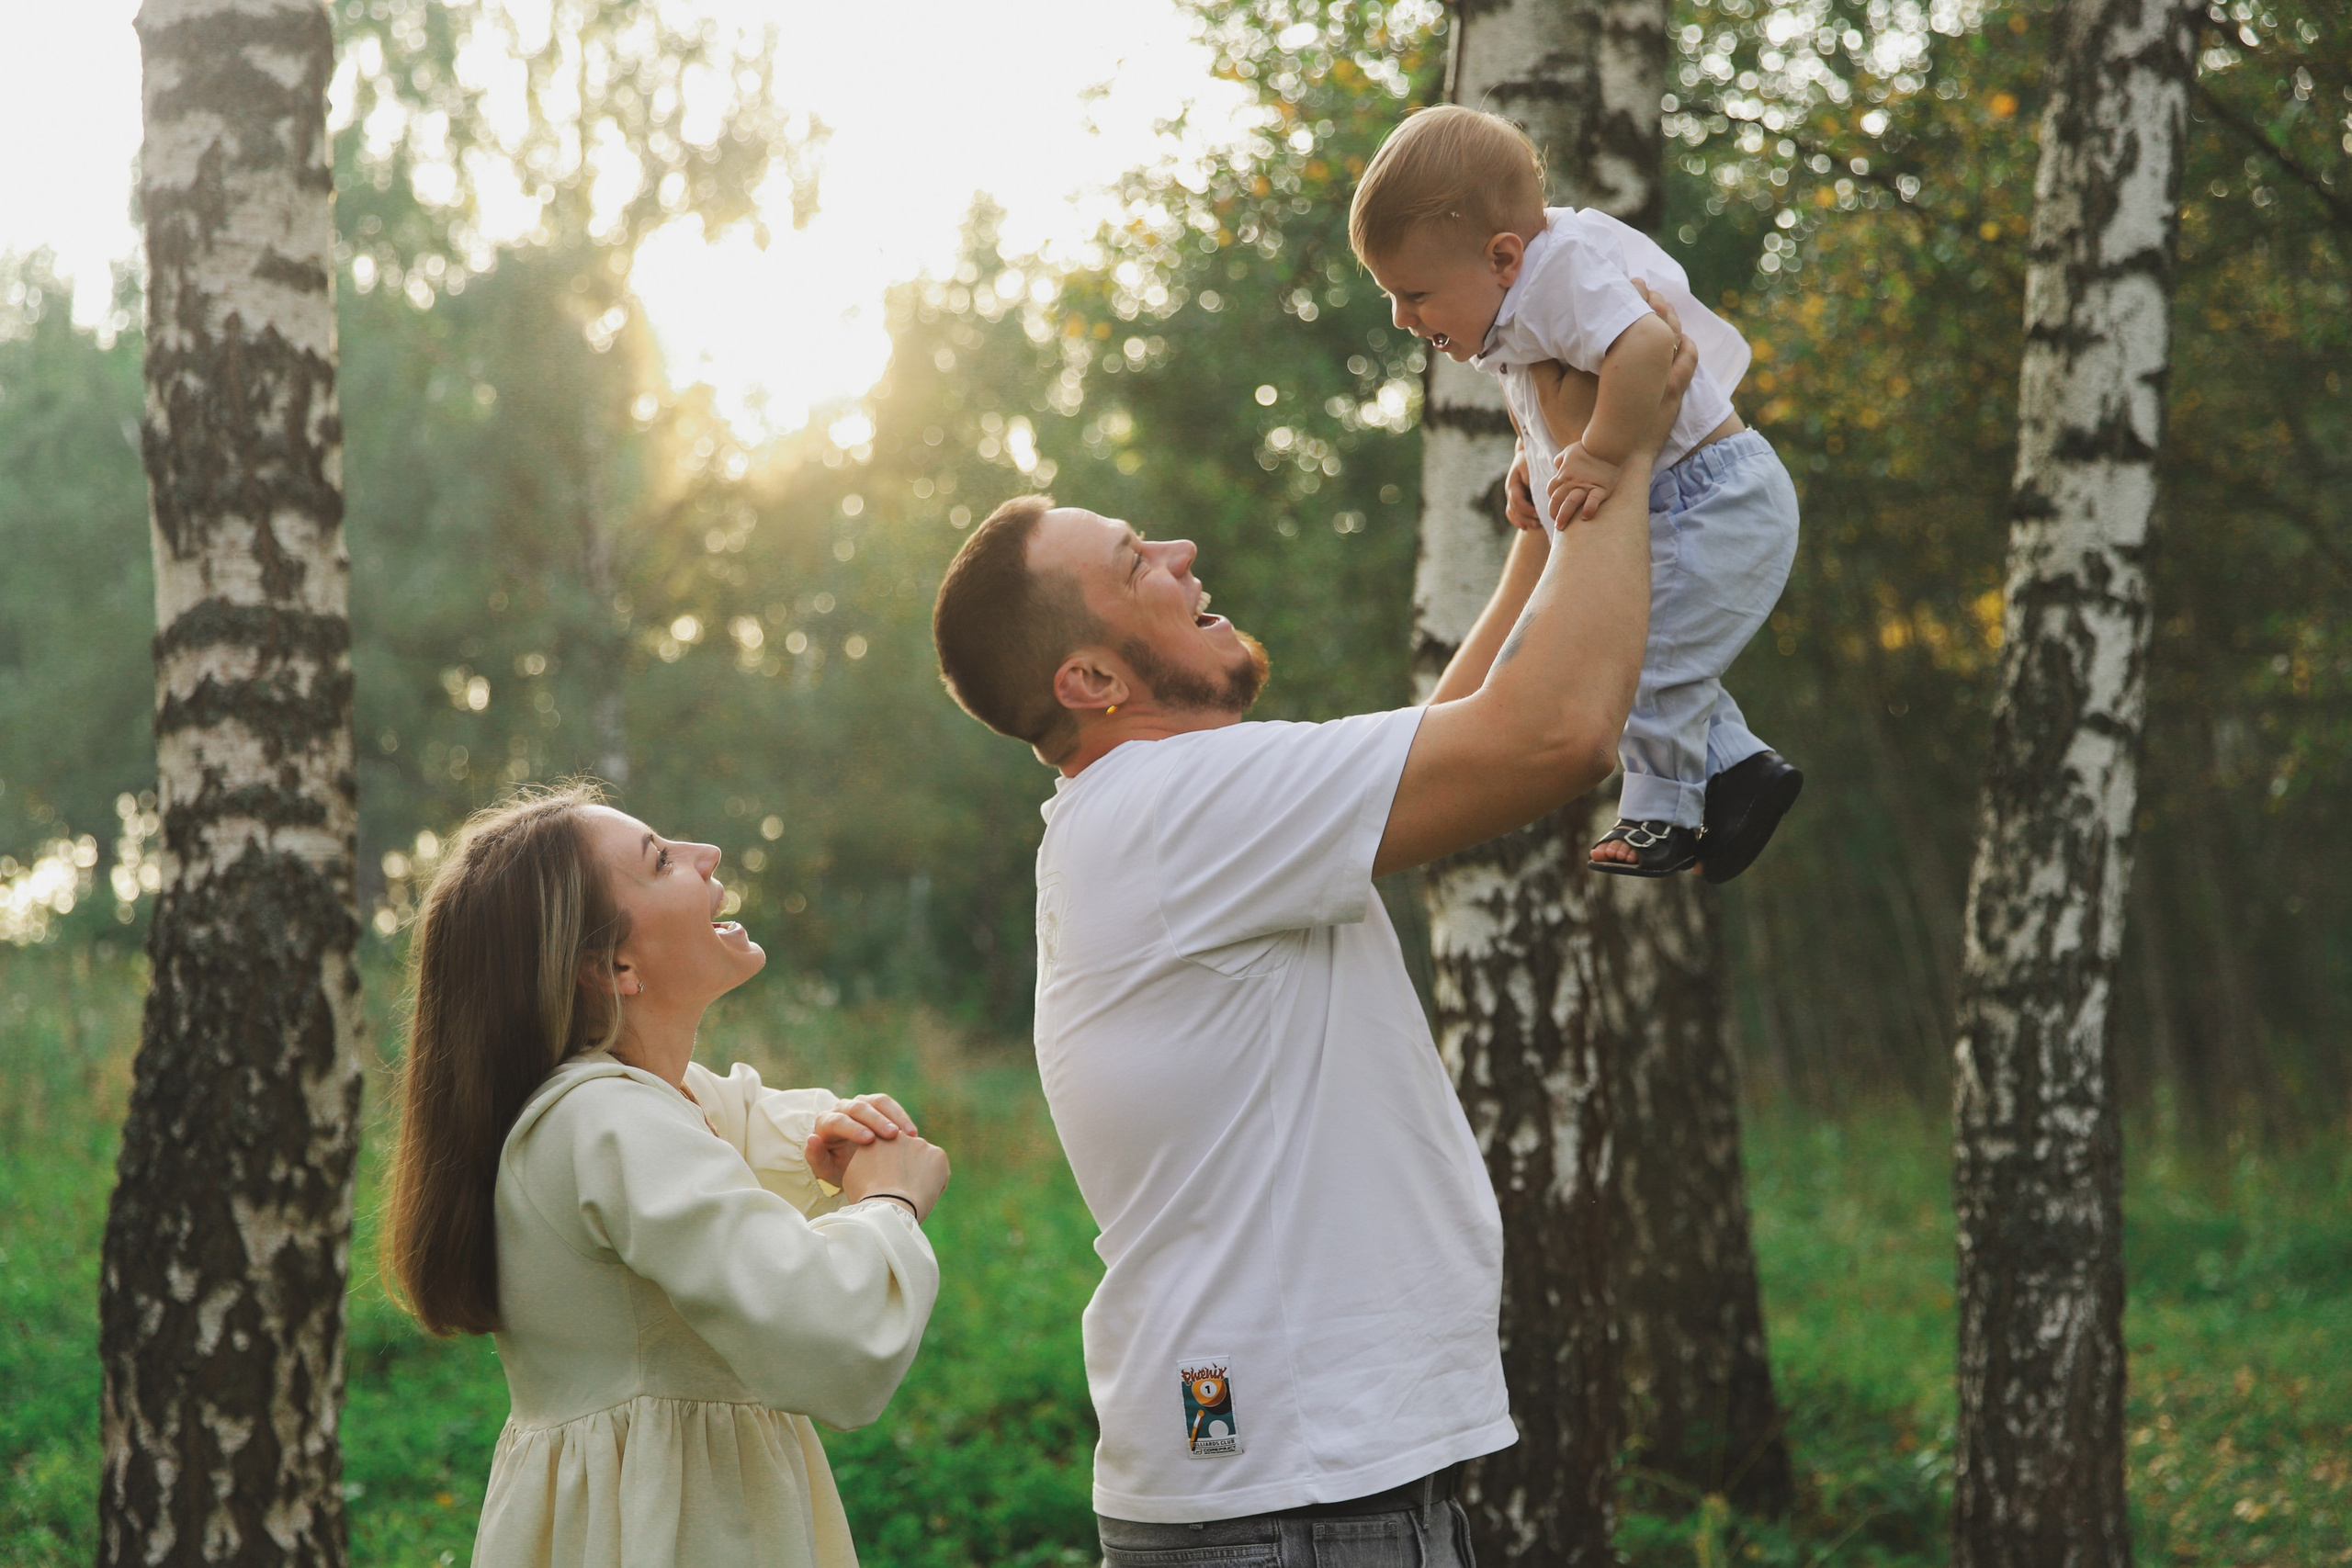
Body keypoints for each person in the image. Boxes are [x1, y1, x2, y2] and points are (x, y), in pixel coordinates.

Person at [928, 320, 1699, 1565]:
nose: (1180, 551)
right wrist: (1621, 451)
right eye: (1137, 563)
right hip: (1296, 1503)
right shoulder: (1176, 808)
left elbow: (1441, 744)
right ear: (1091, 680)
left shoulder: (1156, 815)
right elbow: (1553, 733)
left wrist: (1543, 539)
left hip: (1298, 1487)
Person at [380, 784, 951, 1568]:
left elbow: (748, 1122)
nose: (705, 853)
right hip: (672, 1529)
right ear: (611, 964)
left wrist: (843, 1138)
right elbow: (829, 1330)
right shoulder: (609, 1124)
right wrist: (888, 1201)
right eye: (661, 860)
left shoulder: (655, 1103)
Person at [1351, 103, 1804, 882]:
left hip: (1712, 494)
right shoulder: (1512, 296)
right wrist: (1534, 459)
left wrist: (1596, 455)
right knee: (1629, 654)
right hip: (1678, 497)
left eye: (1415, 293)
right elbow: (1543, 392)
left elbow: (1648, 345)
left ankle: (1662, 812)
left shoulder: (1560, 270)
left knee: (1630, 665)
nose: (1401, 316)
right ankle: (1739, 776)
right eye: (1392, 295)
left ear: (1501, 257)